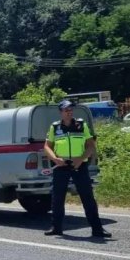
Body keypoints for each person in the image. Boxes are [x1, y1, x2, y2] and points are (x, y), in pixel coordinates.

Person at [43, 100, 111, 238]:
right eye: (66, 110)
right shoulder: (55, 127)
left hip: (79, 165)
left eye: (71, 110)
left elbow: (90, 145)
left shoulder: (81, 125)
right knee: (57, 198)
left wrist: (81, 159)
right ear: (61, 112)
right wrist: (55, 159)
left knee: (87, 197)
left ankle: (97, 229)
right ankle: (56, 228)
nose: (69, 112)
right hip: (61, 166)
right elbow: (47, 146)